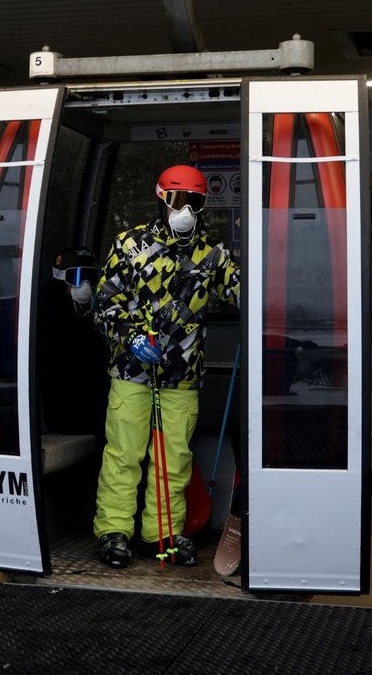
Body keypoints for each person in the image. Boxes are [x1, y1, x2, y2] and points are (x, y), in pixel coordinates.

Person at [92, 164, 239, 569]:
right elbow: (105, 303)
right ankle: (114, 532)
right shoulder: (129, 246)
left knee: (174, 457)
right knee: (124, 452)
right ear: (161, 200)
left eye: (194, 202)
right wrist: (133, 335)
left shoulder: (213, 255)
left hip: (182, 374)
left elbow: (244, 291)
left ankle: (164, 535)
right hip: (132, 369)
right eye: (177, 200)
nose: (185, 211)